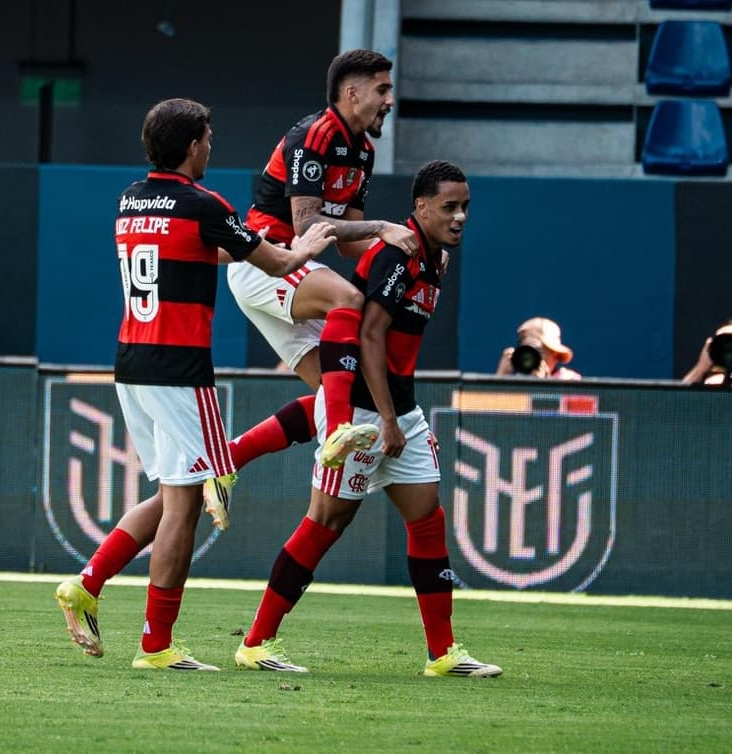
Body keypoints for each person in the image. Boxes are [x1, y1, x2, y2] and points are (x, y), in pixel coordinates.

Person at [54, 98, 336, 670]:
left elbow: (183, 253)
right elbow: (276, 265)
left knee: (170, 496)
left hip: (132, 361)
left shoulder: (130, 199)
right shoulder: (203, 205)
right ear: (191, 147)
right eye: (208, 137)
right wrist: (308, 245)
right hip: (180, 370)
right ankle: (156, 646)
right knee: (187, 502)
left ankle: (89, 582)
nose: (212, 145)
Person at [234, 160, 502, 678]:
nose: (461, 215)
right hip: (364, 410)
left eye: (465, 206)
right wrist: (386, 419)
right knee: (326, 523)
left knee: (428, 520)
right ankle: (255, 641)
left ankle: (443, 654)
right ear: (420, 208)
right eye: (449, 206)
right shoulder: (394, 257)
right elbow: (369, 336)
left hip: (400, 409)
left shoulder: (432, 258)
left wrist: (400, 415)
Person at [224, 48, 425, 477]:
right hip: (268, 260)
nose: (390, 100)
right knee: (347, 298)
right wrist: (383, 228)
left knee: (342, 390)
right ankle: (337, 431)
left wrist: (412, 257)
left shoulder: (363, 153)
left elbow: (348, 244)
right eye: (383, 89)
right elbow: (305, 225)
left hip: (289, 269)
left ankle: (229, 459)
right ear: (352, 93)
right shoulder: (314, 135)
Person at [494, 317, 581, 380]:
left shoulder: (570, 381)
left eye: (538, 351)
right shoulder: (513, 384)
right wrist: (500, 379)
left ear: (555, 354)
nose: (529, 357)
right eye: (526, 349)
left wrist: (543, 387)